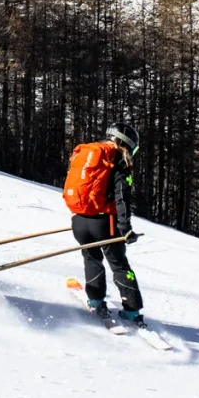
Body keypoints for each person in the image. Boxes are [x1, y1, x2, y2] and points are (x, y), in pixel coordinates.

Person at [63, 123, 145, 326]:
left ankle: (96, 300)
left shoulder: (88, 155)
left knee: (92, 258)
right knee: (119, 265)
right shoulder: (117, 160)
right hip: (104, 223)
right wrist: (125, 229)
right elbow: (122, 198)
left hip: (79, 220)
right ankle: (132, 312)